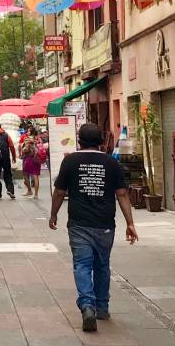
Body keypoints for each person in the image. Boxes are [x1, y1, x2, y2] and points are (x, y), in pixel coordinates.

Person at [50, 123, 137, 332]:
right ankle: (102, 307)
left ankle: (87, 305)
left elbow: (60, 192)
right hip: (105, 224)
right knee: (102, 265)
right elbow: (122, 194)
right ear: (100, 141)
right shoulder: (110, 162)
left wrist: (53, 214)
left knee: (82, 265)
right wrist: (130, 223)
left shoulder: (70, 161)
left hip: (79, 224)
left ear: (79, 140)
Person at [22, 134, 45, 199]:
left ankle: (29, 190)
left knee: (25, 175)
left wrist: (23, 147)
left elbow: (24, 151)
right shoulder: (38, 143)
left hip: (30, 161)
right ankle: (36, 195)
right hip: (37, 161)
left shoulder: (28, 145)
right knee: (36, 177)